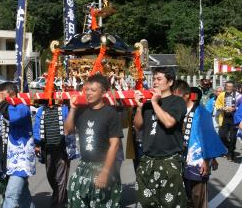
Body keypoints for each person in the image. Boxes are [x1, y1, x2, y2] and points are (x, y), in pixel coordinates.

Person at [64, 74, 123, 208]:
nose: (89, 93)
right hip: (84, 166)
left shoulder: (110, 113)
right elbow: (67, 130)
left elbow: (115, 145)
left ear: (103, 93)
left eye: (93, 90)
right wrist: (72, 109)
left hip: (103, 166)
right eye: (87, 90)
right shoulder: (81, 111)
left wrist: (105, 172)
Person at [133, 67, 187, 208]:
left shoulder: (177, 101)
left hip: (169, 159)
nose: (155, 82)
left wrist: (155, 103)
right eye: (154, 79)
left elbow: (169, 122)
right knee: (146, 202)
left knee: (170, 203)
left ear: (170, 82)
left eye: (159, 79)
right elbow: (137, 126)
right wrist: (139, 107)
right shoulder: (148, 103)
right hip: (147, 159)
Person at [172, 80, 226, 208]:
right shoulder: (178, 111)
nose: (174, 100)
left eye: (176, 96)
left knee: (198, 196)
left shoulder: (201, 112)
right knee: (185, 195)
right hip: (181, 158)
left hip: (198, 160)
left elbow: (209, 137)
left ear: (186, 95)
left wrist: (207, 160)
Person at [0, 81, 36, 208]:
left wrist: (2, 103)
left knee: (11, 195)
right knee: (23, 196)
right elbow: (0, 133)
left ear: (11, 93)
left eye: (2, 93)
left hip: (21, 160)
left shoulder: (22, 107)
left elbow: (13, 117)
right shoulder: (4, 110)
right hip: (8, 159)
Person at [33, 103, 78, 208]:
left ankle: (57, 203)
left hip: (62, 148)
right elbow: (37, 126)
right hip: (47, 149)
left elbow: (71, 122)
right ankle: (63, 195)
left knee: (60, 178)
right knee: (50, 175)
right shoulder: (41, 110)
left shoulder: (64, 108)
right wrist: (37, 143)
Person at [215, 81, 241, 161]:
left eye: (230, 86)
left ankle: (230, 154)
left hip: (234, 118)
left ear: (233, 88)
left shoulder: (238, 96)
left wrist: (234, 108)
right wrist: (223, 108)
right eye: (227, 86)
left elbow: (241, 107)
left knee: (233, 137)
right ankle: (231, 147)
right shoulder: (221, 95)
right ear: (225, 87)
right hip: (224, 117)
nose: (229, 88)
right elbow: (217, 105)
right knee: (221, 135)